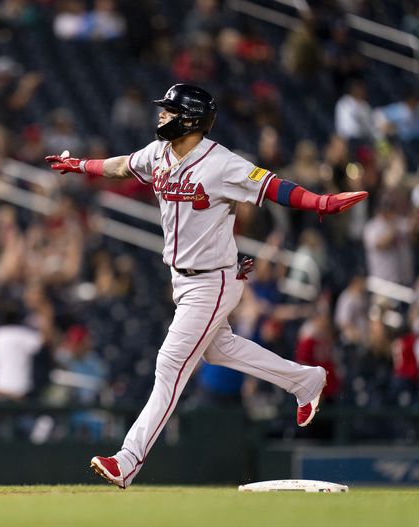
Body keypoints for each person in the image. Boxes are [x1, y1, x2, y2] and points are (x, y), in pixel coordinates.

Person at [45, 83, 368, 488]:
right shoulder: (159, 153)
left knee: (169, 365)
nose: (161, 116)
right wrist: (80, 166)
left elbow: (272, 186)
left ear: (190, 118)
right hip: (182, 280)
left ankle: (127, 460)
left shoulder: (222, 163)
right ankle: (305, 380)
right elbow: (123, 165)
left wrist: (319, 202)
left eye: (169, 111)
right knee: (219, 349)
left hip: (213, 281)